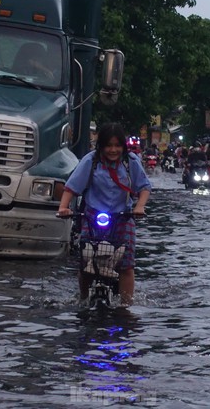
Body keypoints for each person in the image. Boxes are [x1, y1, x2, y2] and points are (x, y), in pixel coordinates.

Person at [58, 123, 151, 306]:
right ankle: (83, 299)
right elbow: (72, 187)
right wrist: (63, 207)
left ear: (123, 146)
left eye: (117, 145)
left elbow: (144, 187)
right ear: (101, 145)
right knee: (85, 264)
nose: (113, 150)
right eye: (109, 145)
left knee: (126, 265)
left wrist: (139, 206)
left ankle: (126, 305)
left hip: (123, 217)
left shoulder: (130, 161)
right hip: (92, 217)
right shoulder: (90, 161)